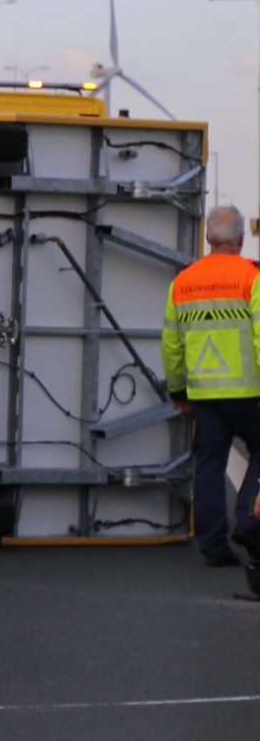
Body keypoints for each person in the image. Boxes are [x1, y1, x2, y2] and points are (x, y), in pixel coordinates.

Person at [160, 204, 260, 567]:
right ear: (239, 238)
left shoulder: (182, 281)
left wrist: (177, 390)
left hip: (204, 393)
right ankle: (249, 519)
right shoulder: (252, 277)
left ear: (209, 238)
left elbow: (171, 344)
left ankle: (214, 548)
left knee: (210, 464)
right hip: (249, 392)